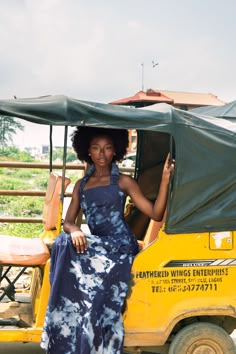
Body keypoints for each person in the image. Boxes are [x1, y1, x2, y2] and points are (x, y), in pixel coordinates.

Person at [40, 127, 174, 354]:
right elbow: (69, 222)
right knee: (64, 242)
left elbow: (156, 213)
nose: (102, 153)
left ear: (116, 151)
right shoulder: (81, 186)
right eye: (96, 147)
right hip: (99, 245)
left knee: (66, 248)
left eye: (108, 148)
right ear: (87, 151)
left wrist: (164, 180)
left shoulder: (123, 182)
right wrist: (74, 231)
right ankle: (66, 324)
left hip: (120, 246)